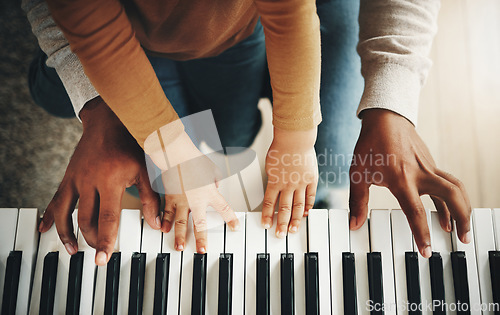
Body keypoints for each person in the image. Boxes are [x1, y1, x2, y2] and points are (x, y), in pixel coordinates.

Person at [23, 0, 471, 267]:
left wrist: (298, 136)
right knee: (181, 159)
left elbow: (289, 12)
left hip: (235, 34)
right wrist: (108, 114)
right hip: (146, 36)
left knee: (320, 150)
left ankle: (317, 205)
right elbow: (91, 32)